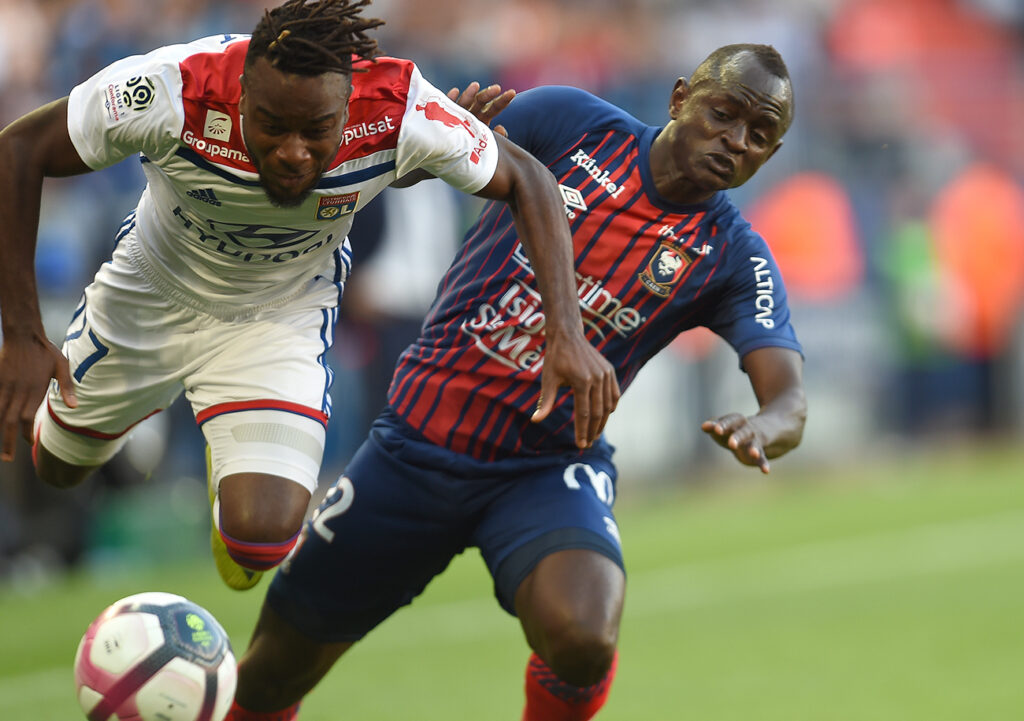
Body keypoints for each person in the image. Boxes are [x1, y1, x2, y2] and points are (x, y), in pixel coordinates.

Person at [227, 43, 808, 721]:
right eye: (725, 113)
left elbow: (789, 396)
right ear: (681, 97)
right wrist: (433, 149)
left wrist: (765, 424)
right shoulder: (568, 121)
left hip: (544, 466)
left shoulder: (732, 257)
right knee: (267, 678)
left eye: (759, 135)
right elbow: (416, 163)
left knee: (583, 633)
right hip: (417, 444)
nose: (735, 141)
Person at [0, 0, 617, 592]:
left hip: (280, 312)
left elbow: (531, 180)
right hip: (150, 294)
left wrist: (566, 331)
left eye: (317, 130)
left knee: (260, 540)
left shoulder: (401, 110)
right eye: (271, 125)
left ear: (348, 105)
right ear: (241, 93)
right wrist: (24, 334)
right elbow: (18, 149)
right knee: (57, 468)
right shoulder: (169, 87)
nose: (293, 150)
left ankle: (230, 467)